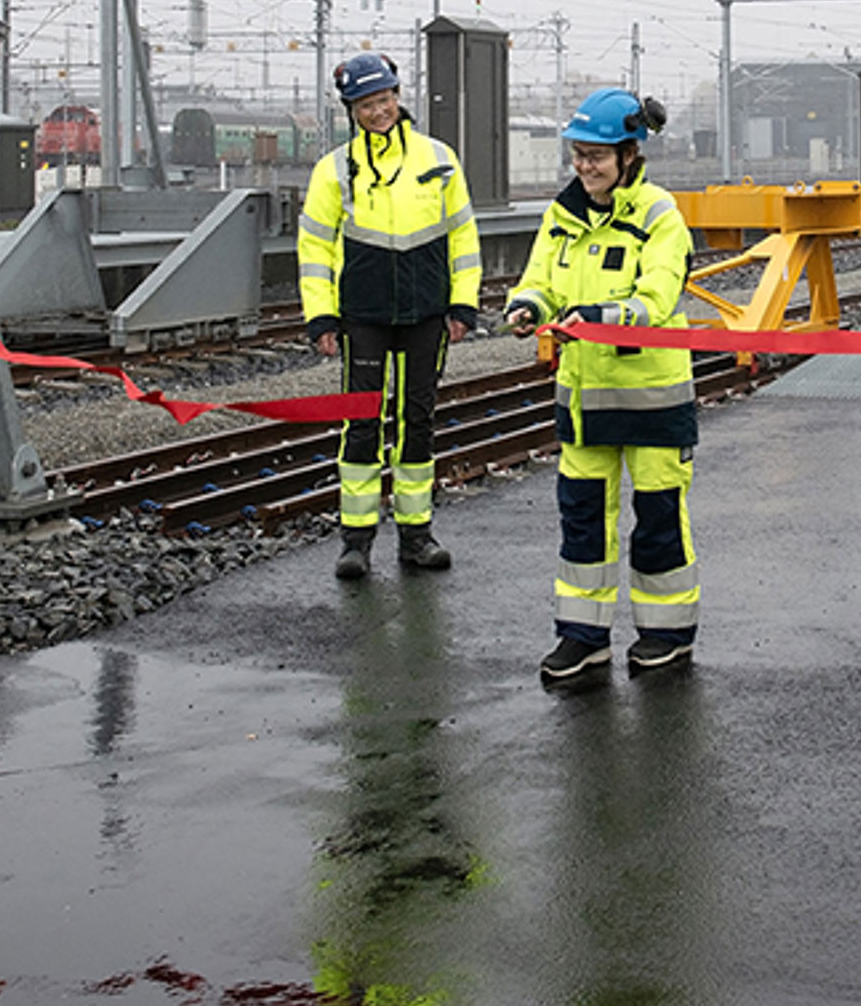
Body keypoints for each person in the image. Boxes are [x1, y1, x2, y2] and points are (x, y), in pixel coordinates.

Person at [504, 88, 700, 681]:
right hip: (584, 405)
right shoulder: (561, 217)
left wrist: (600, 317)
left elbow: (657, 298)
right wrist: (528, 307)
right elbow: (540, 280)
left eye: (596, 156)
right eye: (578, 154)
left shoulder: (659, 216)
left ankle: (666, 634)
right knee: (583, 522)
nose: (585, 166)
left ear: (629, 155)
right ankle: (582, 637)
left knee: (658, 517)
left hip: (651, 403)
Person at [298, 50, 481, 579]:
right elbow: (314, 247)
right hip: (363, 315)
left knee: (416, 422)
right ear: (350, 110)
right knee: (361, 423)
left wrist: (463, 303)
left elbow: (463, 238)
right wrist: (322, 317)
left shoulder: (438, 158)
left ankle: (416, 536)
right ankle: (355, 542)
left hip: (427, 312)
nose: (378, 111)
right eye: (365, 104)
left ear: (398, 97)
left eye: (384, 100)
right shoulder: (334, 170)